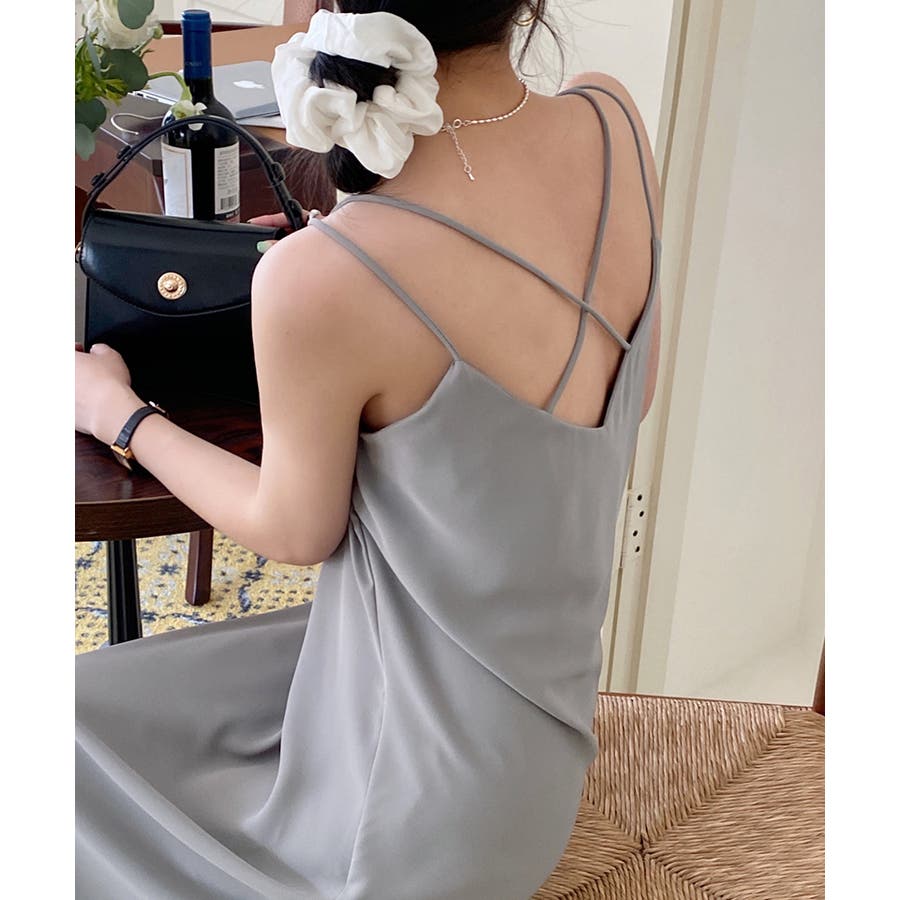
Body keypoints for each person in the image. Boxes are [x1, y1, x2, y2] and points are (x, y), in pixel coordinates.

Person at [74, 2, 662, 897]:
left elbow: (293, 530)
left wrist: (117, 413)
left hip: (404, 833)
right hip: (534, 759)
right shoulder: (613, 121)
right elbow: (629, 395)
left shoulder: (327, 272)